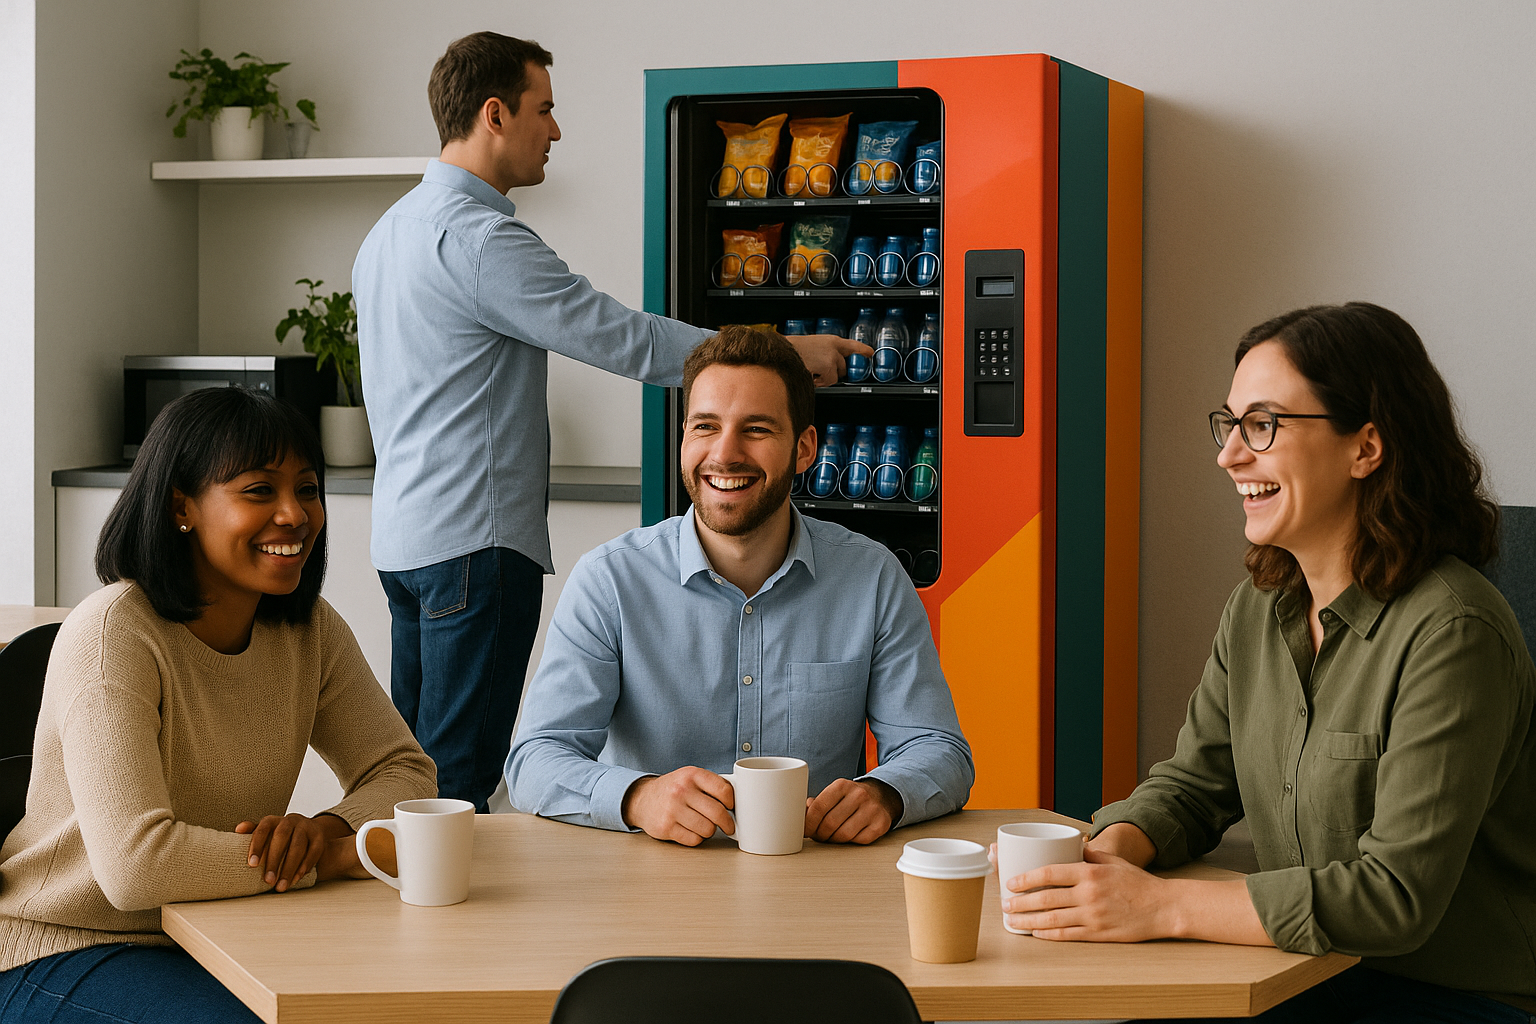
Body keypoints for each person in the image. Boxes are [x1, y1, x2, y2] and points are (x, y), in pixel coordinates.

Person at [352, 31, 868, 813]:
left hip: (404, 541)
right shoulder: (483, 239)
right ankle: (436, 935)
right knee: (455, 785)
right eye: (544, 109)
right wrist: (781, 357)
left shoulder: (387, 232)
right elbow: (622, 339)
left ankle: (390, 929)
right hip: (474, 543)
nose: (555, 130)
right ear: (494, 114)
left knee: (409, 779)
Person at [997, 303, 1536, 1022]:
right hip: (1303, 970)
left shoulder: (1454, 631)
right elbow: (1196, 783)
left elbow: (1394, 899)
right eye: (1231, 424)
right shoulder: (1260, 606)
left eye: (1264, 424)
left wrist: (1161, 904)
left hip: (1452, 997)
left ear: (1365, 448)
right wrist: (1113, 851)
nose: (1229, 455)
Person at [0, 388, 437, 1023]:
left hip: (225, 931)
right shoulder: (114, 635)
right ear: (182, 507)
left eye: (308, 489)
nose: (295, 515)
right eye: (259, 491)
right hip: (68, 947)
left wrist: (330, 828)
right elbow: (135, 869)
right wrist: (336, 859)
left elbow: (403, 770)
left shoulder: (308, 630)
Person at [506, 326, 973, 844]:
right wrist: (638, 796)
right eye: (705, 426)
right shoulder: (610, 581)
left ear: (803, 449)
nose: (725, 454)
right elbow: (534, 761)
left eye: (756, 429)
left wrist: (887, 793)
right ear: (684, 439)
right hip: (650, 891)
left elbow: (939, 750)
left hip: (814, 878)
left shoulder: (873, 579)